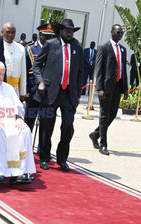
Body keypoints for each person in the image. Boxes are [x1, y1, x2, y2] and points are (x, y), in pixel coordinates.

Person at [33, 19, 83, 171]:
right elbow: (36, 65)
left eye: (72, 30)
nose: (69, 33)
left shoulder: (77, 48)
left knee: (68, 127)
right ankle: (44, 157)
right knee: (46, 127)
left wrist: (78, 91)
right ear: (60, 31)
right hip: (49, 93)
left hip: (69, 95)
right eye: (67, 30)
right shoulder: (51, 44)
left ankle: (62, 159)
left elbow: (81, 72)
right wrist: (40, 82)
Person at [89, 24, 128, 155]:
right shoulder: (104, 48)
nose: (120, 35)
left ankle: (95, 134)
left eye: (121, 33)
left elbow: (123, 70)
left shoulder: (122, 49)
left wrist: (125, 89)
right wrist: (99, 88)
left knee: (112, 115)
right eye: (118, 32)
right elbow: (98, 69)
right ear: (112, 32)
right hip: (105, 88)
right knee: (104, 116)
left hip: (117, 87)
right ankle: (103, 144)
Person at [24, 23, 55, 131]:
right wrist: (26, 91)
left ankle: (41, 148)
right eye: (46, 36)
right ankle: (25, 146)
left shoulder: (54, 50)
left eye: (50, 37)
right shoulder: (30, 49)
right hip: (33, 91)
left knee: (45, 123)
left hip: (48, 92)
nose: (48, 39)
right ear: (39, 35)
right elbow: (25, 72)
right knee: (29, 121)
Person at [1, 22, 26, 99]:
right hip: (0, 86)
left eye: (13, 33)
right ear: (2, 32)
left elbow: (23, 72)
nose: (10, 35)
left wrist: (23, 92)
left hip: (14, 88)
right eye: (8, 32)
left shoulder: (20, 48)